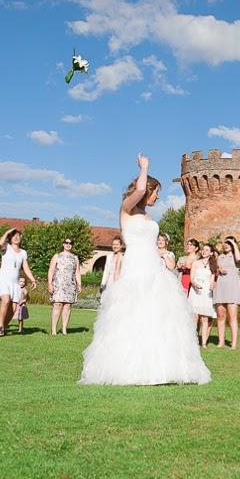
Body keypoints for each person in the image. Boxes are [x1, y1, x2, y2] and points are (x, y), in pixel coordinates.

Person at [80, 154, 210, 385]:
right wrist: (144, 168)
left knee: (159, 316)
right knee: (133, 314)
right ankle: (128, 369)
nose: (158, 196)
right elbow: (139, 191)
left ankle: (161, 368)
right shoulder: (126, 210)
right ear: (147, 189)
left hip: (154, 268)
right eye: (156, 191)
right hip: (136, 268)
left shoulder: (147, 216)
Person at [0, 228, 37, 336]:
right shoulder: (6, 247)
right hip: (3, 280)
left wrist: (32, 279)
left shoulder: (23, 252)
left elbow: (26, 267)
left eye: (18, 235)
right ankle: (0, 326)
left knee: (13, 308)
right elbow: (0, 243)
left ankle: (3, 327)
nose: (16, 237)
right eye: (14, 235)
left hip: (15, 283)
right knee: (5, 300)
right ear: (10, 237)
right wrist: (7, 232)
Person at [213, 236, 240, 349]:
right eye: (225, 243)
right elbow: (215, 270)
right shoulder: (220, 256)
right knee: (221, 316)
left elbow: (239, 259)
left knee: (232, 317)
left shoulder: (236, 256)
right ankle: (221, 342)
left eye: (229, 243)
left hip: (232, 288)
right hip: (221, 287)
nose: (226, 245)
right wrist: (219, 270)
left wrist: (234, 244)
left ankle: (233, 343)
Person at [48, 238, 82, 336]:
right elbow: (51, 270)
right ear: (63, 244)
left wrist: (79, 284)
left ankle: (64, 329)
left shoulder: (75, 258)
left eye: (70, 243)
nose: (68, 244)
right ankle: (54, 330)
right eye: (66, 243)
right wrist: (49, 283)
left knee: (67, 306)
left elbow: (77, 272)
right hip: (58, 284)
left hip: (70, 285)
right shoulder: (57, 256)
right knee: (57, 305)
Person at [190, 243, 218, 348]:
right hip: (196, 291)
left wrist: (211, 286)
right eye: (203, 249)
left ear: (211, 253)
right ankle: (193, 340)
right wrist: (195, 284)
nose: (204, 251)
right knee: (195, 317)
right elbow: (192, 278)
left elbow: (212, 279)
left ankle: (204, 343)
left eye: (207, 250)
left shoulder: (213, 265)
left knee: (205, 318)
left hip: (206, 293)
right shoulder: (196, 263)